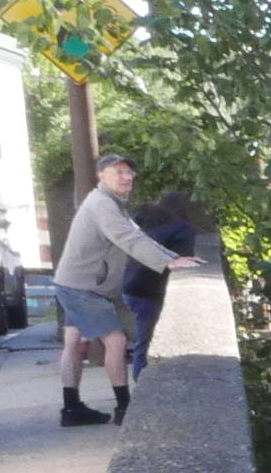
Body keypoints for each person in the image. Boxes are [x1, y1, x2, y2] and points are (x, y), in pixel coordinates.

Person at [51, 153, 199, 427]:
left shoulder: (111, 203)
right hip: (84, 287)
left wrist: (171, 257)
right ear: (101, 176)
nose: (126, 177)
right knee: (116, 341)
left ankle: (71, 409)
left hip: (78, 283)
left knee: (74, 344)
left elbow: (139, 236)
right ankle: (124, 408)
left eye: (129, 173)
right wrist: (169, 262)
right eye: (117, 172)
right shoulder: (102, 205)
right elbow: (128, 239)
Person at [121, 188, 201, 363]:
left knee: (145, 339)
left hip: (130, 286)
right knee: (146, 342)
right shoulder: (182, 229)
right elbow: (183, 259)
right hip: (149, 290)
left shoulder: (151, 225)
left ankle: (140, 372)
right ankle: (141, 378)